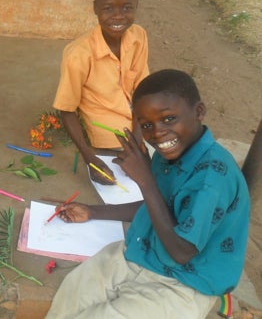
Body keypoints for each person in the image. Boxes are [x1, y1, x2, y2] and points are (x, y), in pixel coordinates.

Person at [45, 69, 250, 319]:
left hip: (184, 282)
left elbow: (182, 251)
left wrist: (145, 180)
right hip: (139, 254)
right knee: (71, 296)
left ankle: (214, 302)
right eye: (146, 125)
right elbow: (156, 206)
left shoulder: (212, 178)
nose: (157, 133)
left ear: (198, 112)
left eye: (169, 118)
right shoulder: (170, 153)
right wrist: (93, 211)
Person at [52, 0, 149, 183]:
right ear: (95, 7)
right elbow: (66, 110)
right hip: (110, 127)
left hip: (140, 117)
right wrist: (90, 158)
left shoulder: (138, 36)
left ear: (136, 6)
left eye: (127, 8)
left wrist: (138, 142)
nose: (118, 16)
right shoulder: (79, 54)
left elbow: (143, 90)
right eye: (108, 8)